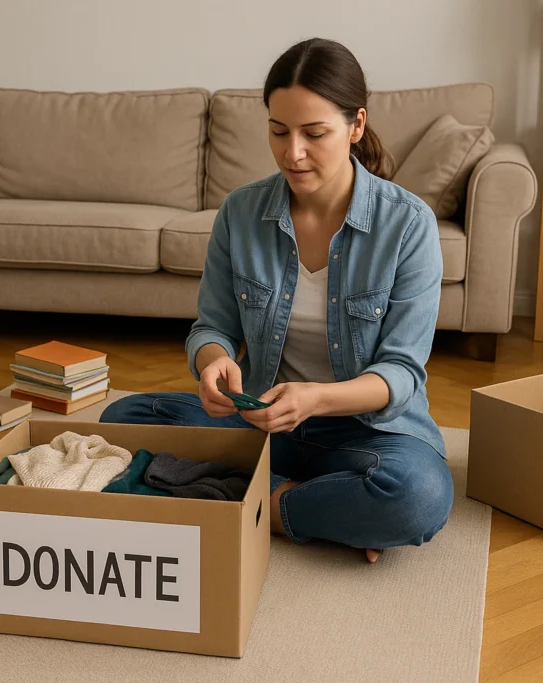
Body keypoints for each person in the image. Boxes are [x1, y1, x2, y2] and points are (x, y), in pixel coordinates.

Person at [100, 37, 453, 563]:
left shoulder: (408, 225)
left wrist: (314, 399)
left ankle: (254, 497)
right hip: (259, 419)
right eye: (278, 130)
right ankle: (310, 506)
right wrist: (214, 362)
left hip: (363, 432)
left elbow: (401, 372)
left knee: (418, 496)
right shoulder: (240, 213)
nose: (293, 152)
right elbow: (212, 326)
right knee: (120, 419)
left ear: (356, 126)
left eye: (314, 134)